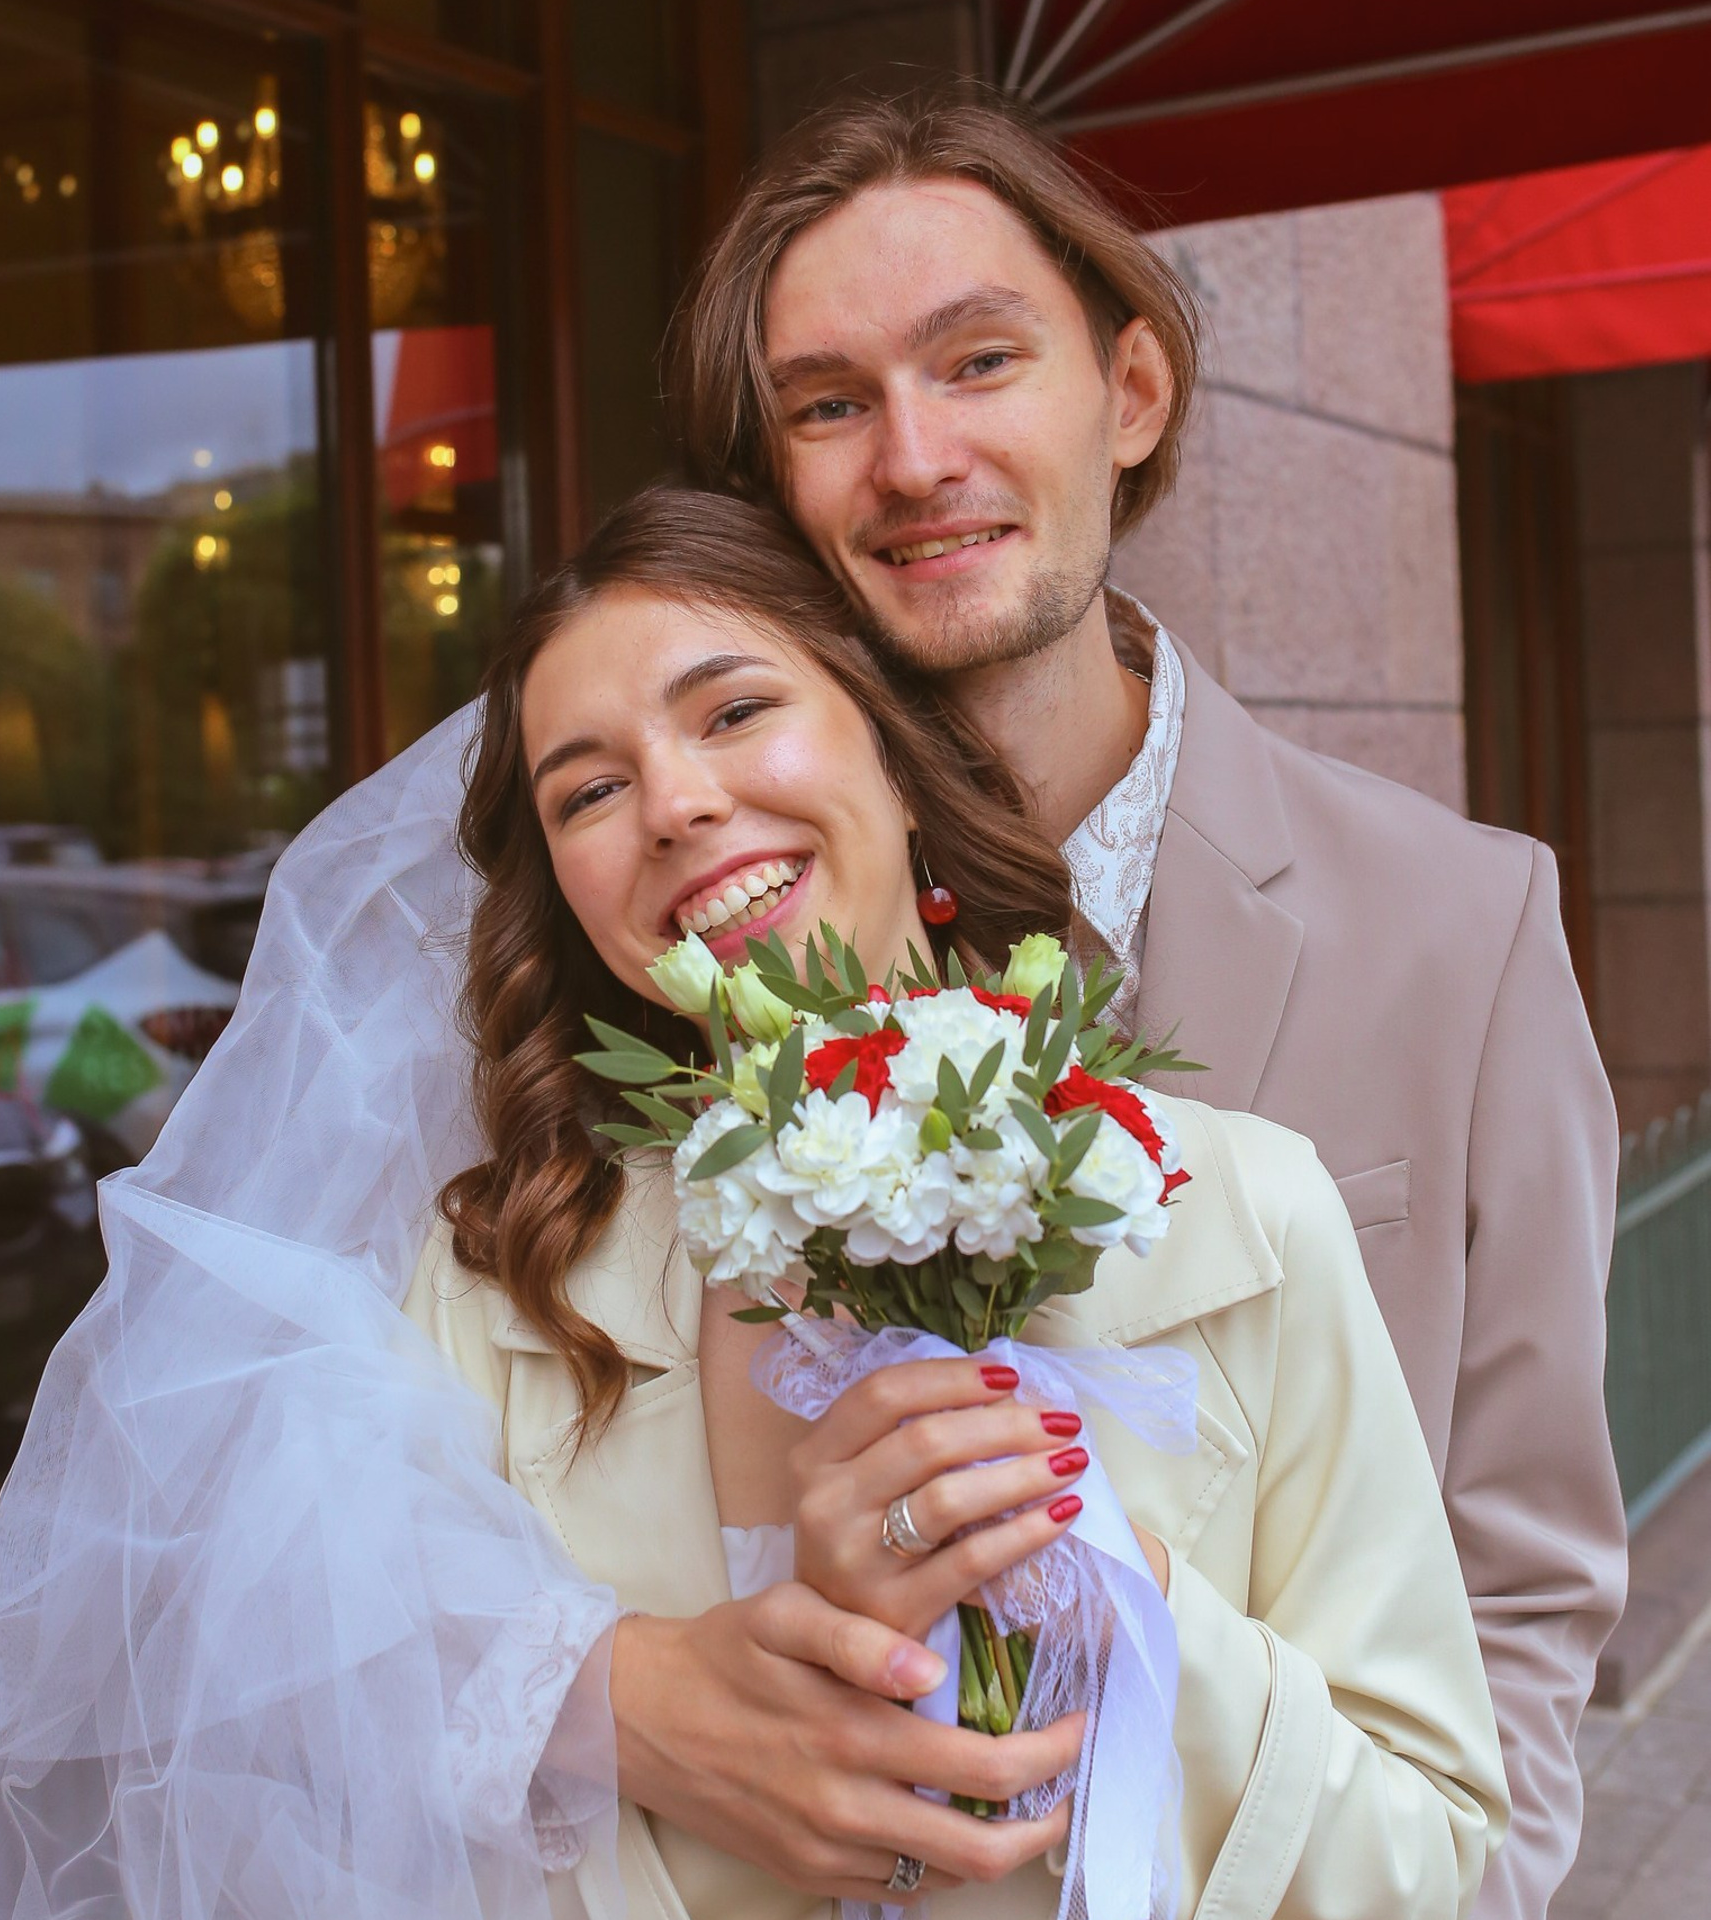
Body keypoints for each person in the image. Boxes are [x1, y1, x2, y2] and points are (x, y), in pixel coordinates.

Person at [667, 86, 1625, 1920]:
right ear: (773, 485)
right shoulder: (707, 958)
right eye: (830, 404)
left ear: (1131, 395)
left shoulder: (1462, 923)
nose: (914, 455)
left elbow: (1525, 1593)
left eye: (979, 360)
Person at [407, 481, 1506, 1917]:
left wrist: (1123, 1601)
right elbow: (355, 1803)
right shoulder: (498, 1287)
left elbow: (1429, 1862)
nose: (674, 802)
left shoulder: (1244, 1212)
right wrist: (625, 1718)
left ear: (900, 754)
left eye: (733, 711)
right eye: (589, 790)